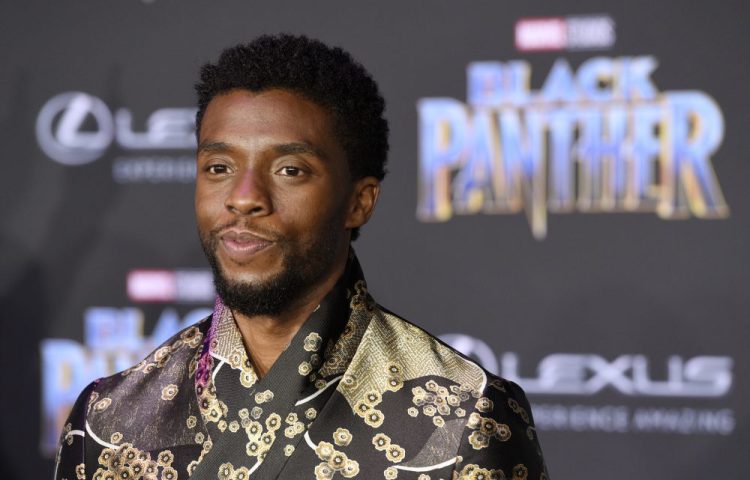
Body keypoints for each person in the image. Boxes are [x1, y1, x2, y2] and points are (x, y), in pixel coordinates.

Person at [54, 34, 549, 480]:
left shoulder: (465, 416)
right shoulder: (108, 418)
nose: (245, 197)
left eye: (290, 170)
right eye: (219, 166)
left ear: (360, 201)